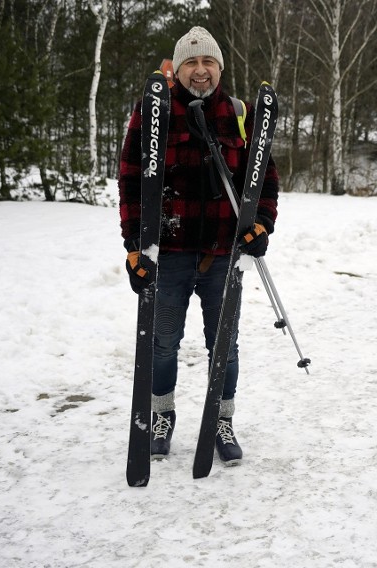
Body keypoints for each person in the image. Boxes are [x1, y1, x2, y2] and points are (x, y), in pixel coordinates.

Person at [117, 26, 280, 465]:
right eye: (192, 62)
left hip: (222, 256)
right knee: (164, 342)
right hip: (168, 254)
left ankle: (221, 420)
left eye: (208, 62)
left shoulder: (240, 115)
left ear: (220, 68)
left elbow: (265, 178)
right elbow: (131, 179)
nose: (200, 70)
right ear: (178, 68)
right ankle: (161, 416)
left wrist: (262, 224)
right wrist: (135, 246)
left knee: (223, 345)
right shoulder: (153, 113)